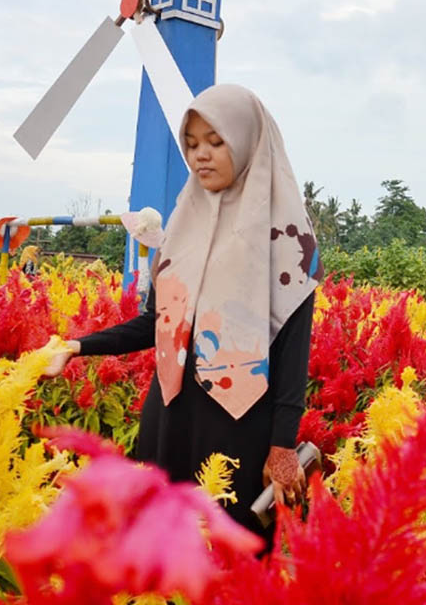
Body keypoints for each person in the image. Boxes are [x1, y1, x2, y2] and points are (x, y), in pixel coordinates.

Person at [44, 85, 323, 539]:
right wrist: (76, 346)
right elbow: (157, 324)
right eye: (192, 145)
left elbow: (293, 353)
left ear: (248, 141)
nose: (201, 156)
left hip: (241, 433)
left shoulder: (289, 243)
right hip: (169, 419)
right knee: (160, 550)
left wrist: (281, 447)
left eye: (216, 141)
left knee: (231, 559)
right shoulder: (181, 227)